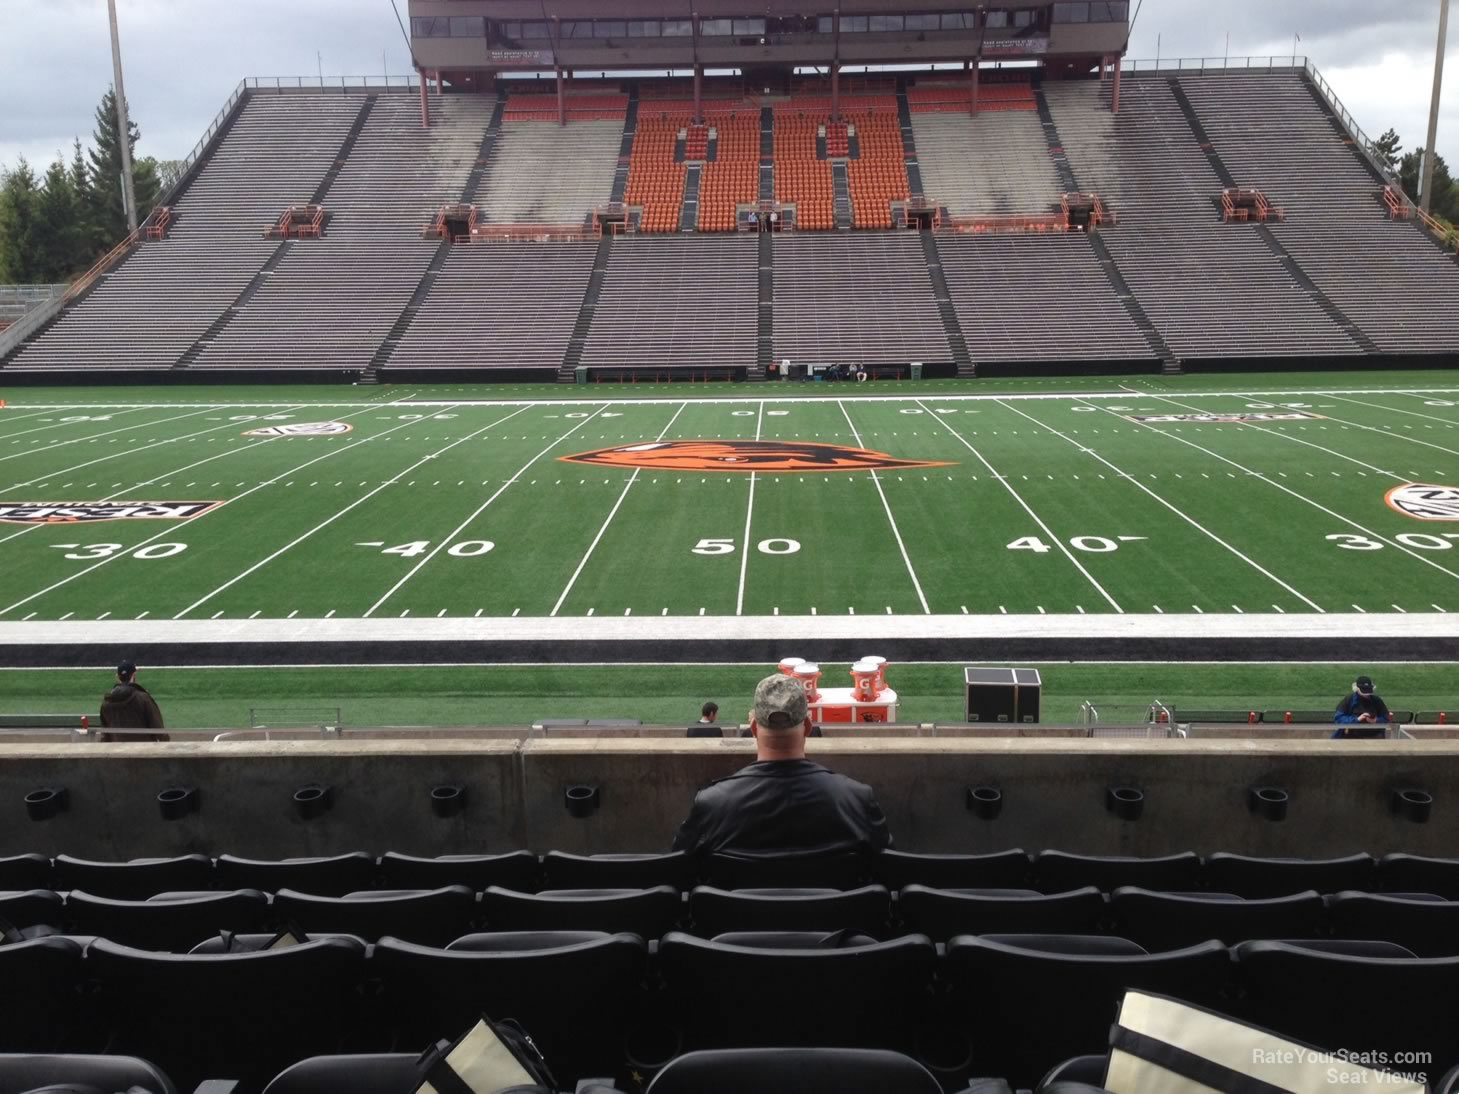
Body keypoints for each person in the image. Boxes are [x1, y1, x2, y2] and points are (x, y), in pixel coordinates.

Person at [672, 675, 891, 858]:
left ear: (754, 727)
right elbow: (890, 871)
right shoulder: (856, 800)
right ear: (807, 727)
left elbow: (678, 870)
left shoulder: (712, 804)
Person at [99, 660, 169, 742]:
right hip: (144, 751)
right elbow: (159, 731)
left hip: (119, 752)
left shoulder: (106, 703)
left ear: (117, 677)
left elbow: (105, 735)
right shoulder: (143, 698)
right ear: (134, 675)